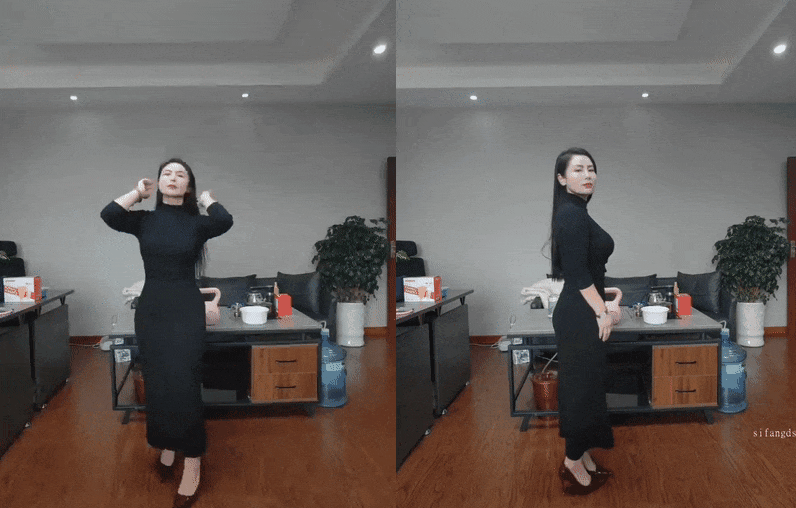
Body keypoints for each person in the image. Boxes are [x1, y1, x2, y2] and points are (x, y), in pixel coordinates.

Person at [101, 158, 233, 508]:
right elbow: (109, 214)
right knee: (158, 381)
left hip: (185, 309)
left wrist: (207, 200)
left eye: (180, 174)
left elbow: (225, 220)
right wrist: (137, 193)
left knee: (184, 381)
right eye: (167, 174)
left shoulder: (197, 224)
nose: (173, 178)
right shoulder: (144, 220)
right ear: (159, 183)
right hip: (152, 311)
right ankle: (167, 443)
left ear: (188, 186)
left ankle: (193, 459)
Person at [549, 147, 615, 496]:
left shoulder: (576, 212)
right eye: (578, 169)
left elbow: (589, 268)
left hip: (582, 309)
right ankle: (572, 460)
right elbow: (576, 273)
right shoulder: (570, 215)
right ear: (562, 178)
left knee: (588, 386)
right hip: (579, 315)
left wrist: (608, 296)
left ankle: (582, 451)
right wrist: (602, 311)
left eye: (591, 168)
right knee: (581, 389)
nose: (588, 174)